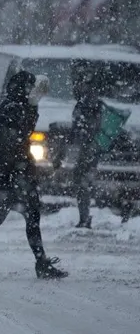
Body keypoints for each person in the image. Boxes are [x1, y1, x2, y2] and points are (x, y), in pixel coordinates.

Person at [0, 71, 68, 280]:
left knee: (25, 216)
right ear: (22, 88)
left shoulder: (19, 105)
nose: (31, 91)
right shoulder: (12, 108)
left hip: (15, 171)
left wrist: (33, 104)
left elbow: (21, 137)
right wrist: (21, 167)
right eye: (29, 87)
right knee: (3, 217)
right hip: (12, 173)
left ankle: (38, 261)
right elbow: (12, 142)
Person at [70, 72, 103, 229]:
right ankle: (84, 216)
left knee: (82, 181)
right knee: (82, 182)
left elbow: (84, 127)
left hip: (88, 149)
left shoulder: (88, 102)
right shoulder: (90, 101)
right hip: (89, 148)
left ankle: (84, 217)